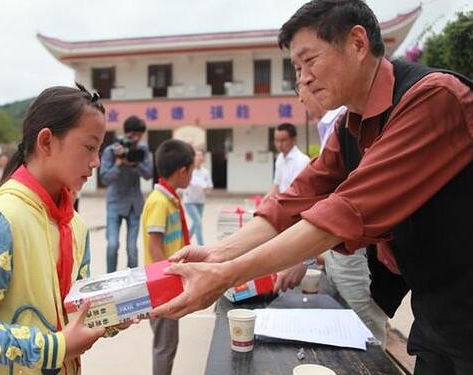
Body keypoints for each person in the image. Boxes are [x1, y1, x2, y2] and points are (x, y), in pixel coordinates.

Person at [152, 1, 472, 374]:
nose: (302, 79)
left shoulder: (433, 99)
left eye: (310, 61)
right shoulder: (347, 128)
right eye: (296, 69)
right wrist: (217, 254)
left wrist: (227, 275)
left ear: (356, 43)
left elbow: (344, 211)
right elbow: (293, 202)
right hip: (436, 311)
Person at [0, 84, 121, 374]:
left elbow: (73, 309)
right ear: (46, 141)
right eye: (89, 147)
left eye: (99, 150)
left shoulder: (75, 225)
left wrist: (119, 308)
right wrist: (54, 348)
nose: (96, 162)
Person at [274, 84, 388, 346]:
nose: (302, 99)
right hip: (338, 249)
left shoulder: (342, 123)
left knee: (364, 334)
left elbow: (337, 205)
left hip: (356, 249)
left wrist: (302, 257)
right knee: (348, 327)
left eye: (304, 71)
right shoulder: (331, 126)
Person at [141, 139, 194, 375]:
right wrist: (169, 280)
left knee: (168, 344)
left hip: (169, 282)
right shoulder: (159, 201)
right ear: (183, 170)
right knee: (165, 346)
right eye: (191, 170)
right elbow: (154, 245)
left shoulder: (169, 198)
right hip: (162, 287)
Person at [100, 115, 153, 273]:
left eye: (139, 135)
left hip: (134, 205)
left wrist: (134, 164)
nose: (136, 138)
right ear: (126, 133)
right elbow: (104, 179)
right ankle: (110, 278)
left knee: (132, 248)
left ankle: (133, 283)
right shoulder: (111, 151)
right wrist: (118, 164)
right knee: (112, 244)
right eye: (133, 135)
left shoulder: (142, 151)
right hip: (115, 204)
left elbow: (149, 174)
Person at [267, 123, 310, 197]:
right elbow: (276, 186)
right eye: (276, 140)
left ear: (294, 140)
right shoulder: (280, 158)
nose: (279, 145)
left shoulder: (302, 161)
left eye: (283, 140)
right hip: (282, 202)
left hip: (295, 204)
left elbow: (297, 191)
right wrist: (263, 203)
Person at [183, 149, 213, 246]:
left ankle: (185, 241)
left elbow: (210, 186)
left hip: (200, 201)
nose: (199, 157)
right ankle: (201, 246)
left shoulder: (205, 172)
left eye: (200, 155)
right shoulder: (188, 170)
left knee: (196, 223)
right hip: (189, 201)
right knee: (198, 221)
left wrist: (206, 188)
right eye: (196, 155)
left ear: (203, 158)